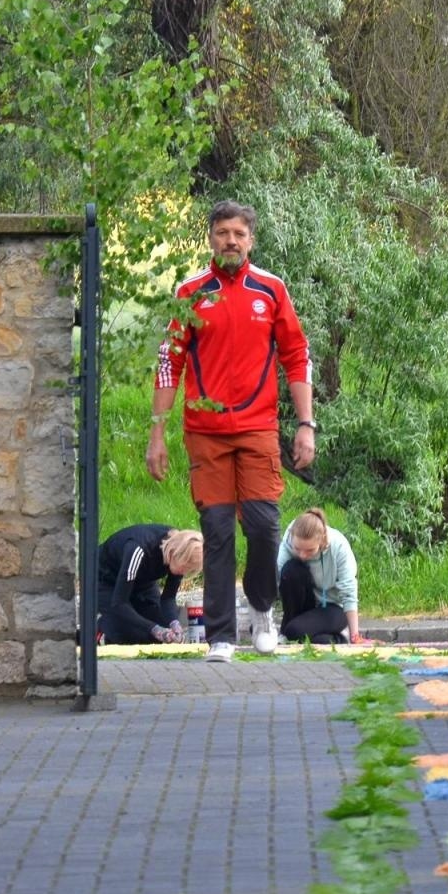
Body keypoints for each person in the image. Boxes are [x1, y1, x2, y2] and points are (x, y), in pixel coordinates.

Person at [146, 201, 317, 663]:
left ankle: (261, 609)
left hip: (259, 427)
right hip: (206, 432)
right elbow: (169, 363)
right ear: (211, 238)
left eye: (239, 233)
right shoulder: (190, 292)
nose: (231, 241)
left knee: (263, 526)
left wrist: (305, 425)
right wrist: (157, 434)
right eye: (223, 232)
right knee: (217, 532)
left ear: (250, 240)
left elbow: (296, 355)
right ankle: (220, 636)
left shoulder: (271, 289)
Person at [96, 525, 204, 645]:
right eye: (185, 566)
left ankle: (117, 624)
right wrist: (154, 629)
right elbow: (120, 603)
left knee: (161, 632)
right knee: (132, 634)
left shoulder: (177, 560)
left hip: (142, 582)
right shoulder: (138, 549)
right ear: (175, 553)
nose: (184, 572)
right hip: (105, 580)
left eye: (190, 569)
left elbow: (168, 598)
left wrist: (174, 623)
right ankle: (101, 627)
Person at [277, 508, 362, 644]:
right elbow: (278, 580)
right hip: (308, 603)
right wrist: (262, 620)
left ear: (322, 541)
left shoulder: (339, 547)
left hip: (333, 607)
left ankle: (342, 637)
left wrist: (355, 636)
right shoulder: (290, 537)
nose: (302, 555)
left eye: (310, 550)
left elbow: (349, 594)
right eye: (297, 549)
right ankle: (297, 633)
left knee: (294, 631)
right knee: (289, 571)